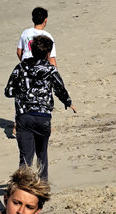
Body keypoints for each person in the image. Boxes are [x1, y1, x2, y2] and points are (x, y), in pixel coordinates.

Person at [5, 36, 76, 180]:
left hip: (23, 116)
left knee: (25, 158)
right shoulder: (50, 70)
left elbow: (8, 92)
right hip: (43, 117)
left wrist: (23, 91)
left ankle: (22, 187)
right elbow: (60, 88)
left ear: (30, 50)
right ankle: (42, 186)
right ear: (48, 53)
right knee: (42, 154)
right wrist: (68, 102)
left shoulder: (20, 67)